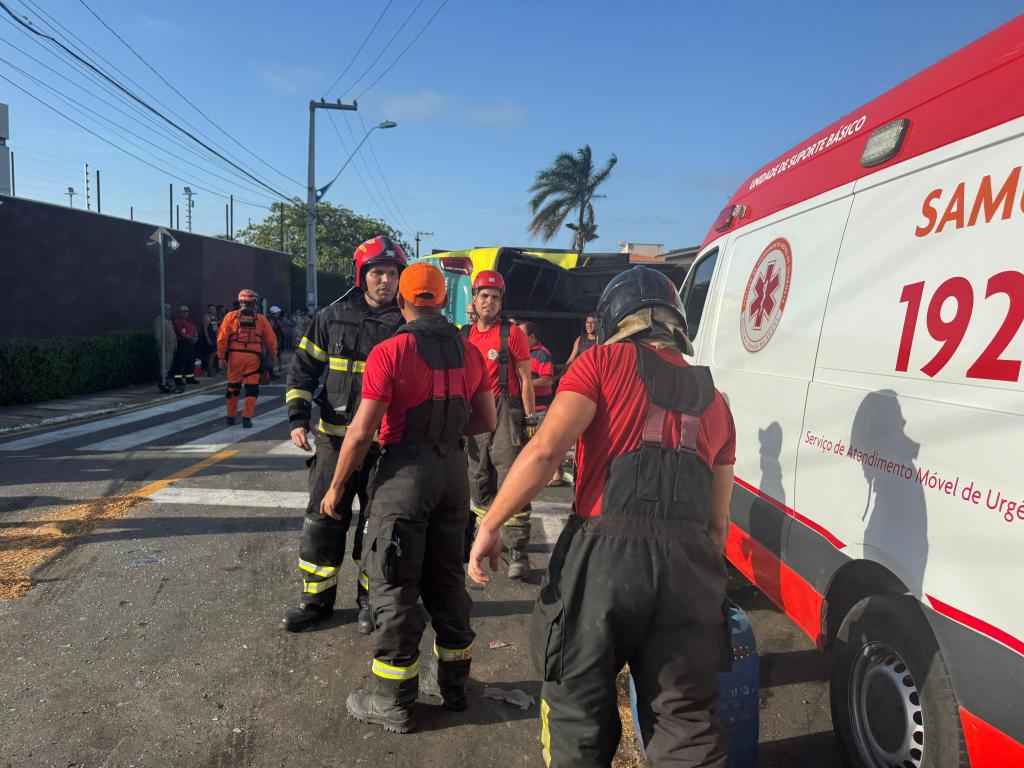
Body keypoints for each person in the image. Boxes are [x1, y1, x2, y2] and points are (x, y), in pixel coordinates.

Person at [470, 266, 736, 767]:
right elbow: (717, 525)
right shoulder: (719, 404)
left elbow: (547, 451)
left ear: (615, 319)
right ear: (677, 323)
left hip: (603, 561)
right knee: (687, 726)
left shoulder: (600, 363)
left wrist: (490, 524)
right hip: (691, 568)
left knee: (579, 713)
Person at [321, 262, 496, 733]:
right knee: (446, 580)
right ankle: (455, 687)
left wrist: (336, 489)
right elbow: (486, 422)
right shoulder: (471, 352)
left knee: (395, 584)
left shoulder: (391, 351)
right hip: (453, 474)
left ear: (402, 301)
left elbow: (359, 434)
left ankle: (394, 700)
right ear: (443, 301)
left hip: (404, 475)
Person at [281, 236, 406, 634]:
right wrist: (298, 417)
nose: (386, 281)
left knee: (377, 526)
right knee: (323, 519)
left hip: (384, 449)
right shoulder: (330, 317)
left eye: (392, 273)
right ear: (362, 276)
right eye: (378, 273)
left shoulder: (408, 325)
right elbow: (302, 370)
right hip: (334, 443)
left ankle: (371, 602)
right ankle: (316, 600)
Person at [463, 270, 536, 579]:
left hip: (506, 408)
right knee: (477, 476)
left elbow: (525, 379)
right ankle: (485, 535)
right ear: (474, 299)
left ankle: (517, 548)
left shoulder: (512, 333)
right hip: (473, 411)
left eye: (494, 297)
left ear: (500, 302)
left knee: (511, 475)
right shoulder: (464, 334)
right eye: (484, 296)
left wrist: (530, 420)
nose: (489, 302)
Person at [216, 289, 278, 428]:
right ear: (254, 303)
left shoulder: (230, 317)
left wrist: (221, 357)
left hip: (235, 357)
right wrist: (273, 355)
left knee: (233, 387)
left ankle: (231, 418)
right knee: (252, 389)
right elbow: (271, 339)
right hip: (253, 357)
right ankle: (246, 419)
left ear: (240, 302)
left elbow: (222, 338)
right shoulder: (261, 319)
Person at [171, 305, 199, 392]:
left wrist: (196, 337)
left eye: (186, 311)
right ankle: (178, 380)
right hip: (183, 343)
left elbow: (194, 330)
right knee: (180, 362)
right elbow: (181, 333)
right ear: (180, 313)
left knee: (190, 361)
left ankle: (189, 378)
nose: (185, 313)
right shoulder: (178, 321)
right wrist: (191, 338)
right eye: (183, 311)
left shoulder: (189, 321)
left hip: (191, 344)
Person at [153, 303, 177, 393]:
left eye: (169, 309)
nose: (169, 311)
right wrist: (160, 344)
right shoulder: (159, 320)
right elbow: (158, 334)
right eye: (167, 309)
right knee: (164, 366)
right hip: (164, 346)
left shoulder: (168, 320)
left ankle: (165, 381)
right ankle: (162, 383)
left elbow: (172, 333)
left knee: (168, 365)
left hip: (170, 346)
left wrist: (175, 343)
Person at [198, 304, 219, 377]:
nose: (212, 310)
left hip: (214, 338)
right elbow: (205, 329)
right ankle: (210, 372)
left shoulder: (215, 317)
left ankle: (210, 370)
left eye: (213, 309)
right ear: (208, 310)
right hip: (209, 339)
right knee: (211, 355)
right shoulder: (206, 317)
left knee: (214, 354)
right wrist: (208, 339)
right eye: (210, 309)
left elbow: (216, 328)